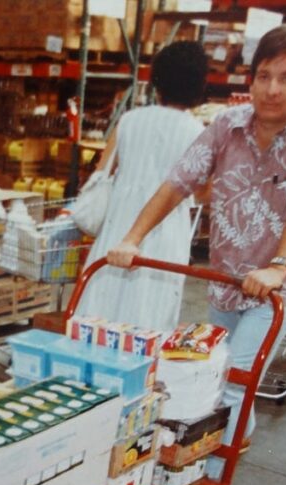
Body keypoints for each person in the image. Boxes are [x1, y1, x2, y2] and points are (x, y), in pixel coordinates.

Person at [107, 24, 286, 478]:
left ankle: (204, 480)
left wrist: (278, 265)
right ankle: (238, 440)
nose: (272, 89)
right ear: (250, 79)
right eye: (264, 76)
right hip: (226, 277)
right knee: (223, 374)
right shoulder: (226, 125)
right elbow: (177, 183)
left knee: (228, 380)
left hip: (278, 286)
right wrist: (131, 238)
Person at [74, 41, 209, 330]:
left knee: (100, 308)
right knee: (149, 317)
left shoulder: (129, 121)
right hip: (167, 234)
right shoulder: (198, 133)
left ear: (156, 80)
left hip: (118, 228)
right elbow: (201, 192)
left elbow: (102, 172)